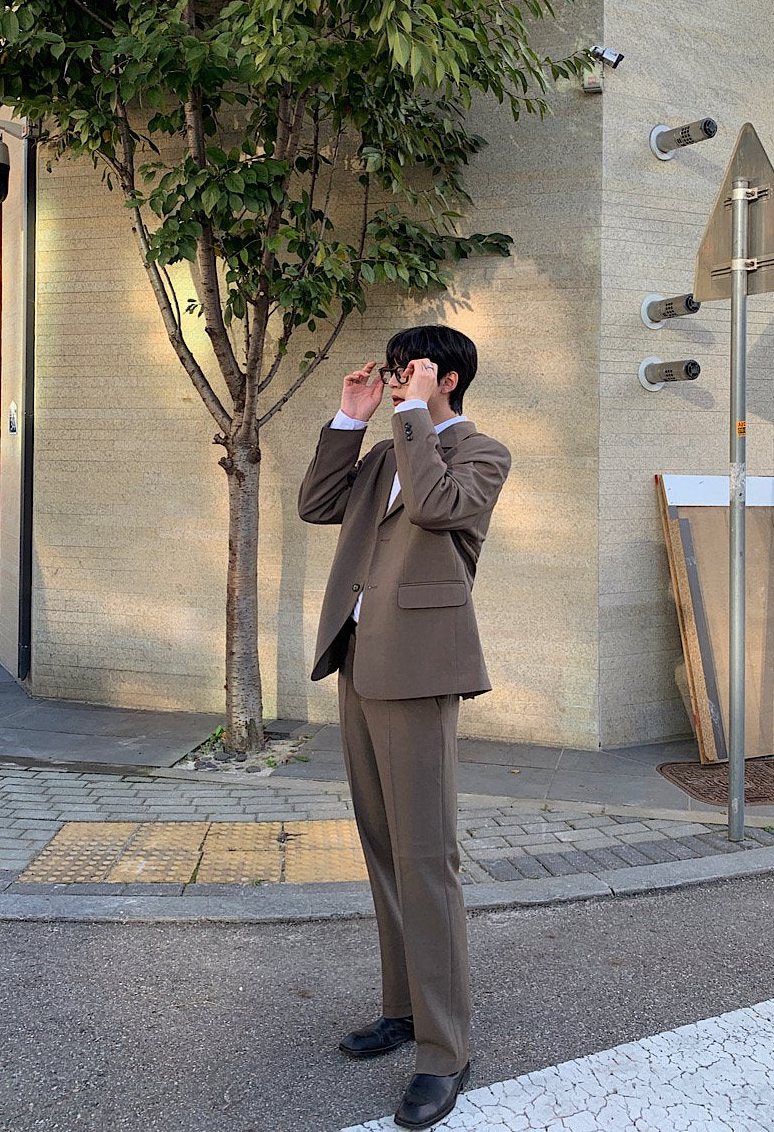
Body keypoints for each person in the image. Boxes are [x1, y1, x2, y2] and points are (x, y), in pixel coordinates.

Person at [298, 324, 511, 1130]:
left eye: (406, 369)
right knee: (384, 847)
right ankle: (404, 1008)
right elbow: (318, 505)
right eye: (391, 371)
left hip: (421, 668)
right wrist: (350, 421)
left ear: (446, 378)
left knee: (427, 857)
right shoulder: (387, 449)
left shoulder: (480, 453)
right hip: (359, 659)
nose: (392, 380)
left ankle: (445, 1050)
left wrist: (414, 415)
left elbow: (436, 507)